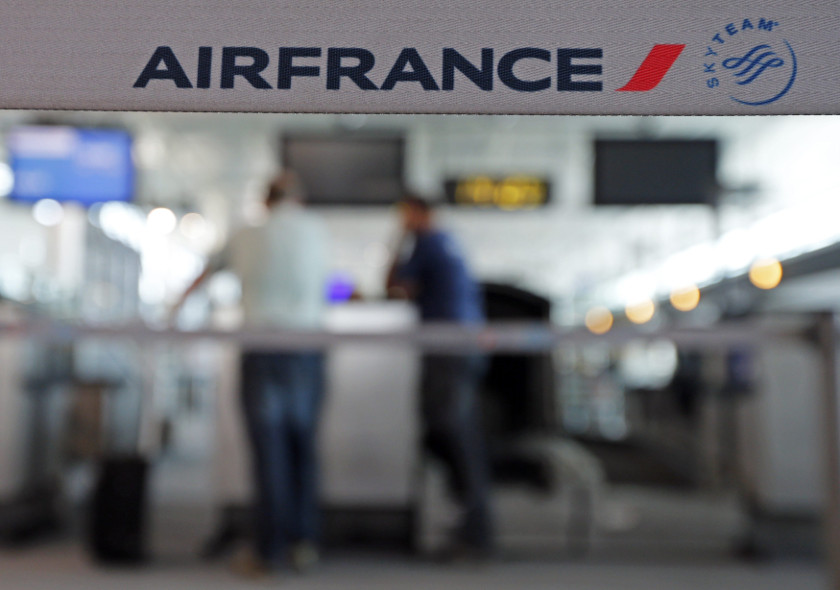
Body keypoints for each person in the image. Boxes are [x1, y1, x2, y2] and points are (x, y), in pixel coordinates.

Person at [173, 171, 329, 576]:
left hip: (261, 348)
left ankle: (268, 550)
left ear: (265, 201)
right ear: (298, 200)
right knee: (303, 449)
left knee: (269, 454)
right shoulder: (317, 230)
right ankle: (304, 544)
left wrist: (174, 310)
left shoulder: (245, 234)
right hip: (307, 351)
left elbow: (203, 276)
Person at [386, 194, 493, 558]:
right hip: (461, 350)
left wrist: (398, 240)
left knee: (452, 435)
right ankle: (470, 525)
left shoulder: (428, 243)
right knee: (451, 435)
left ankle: (475, 533)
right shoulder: (448, 243)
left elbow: (393, 285)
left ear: (415, 213)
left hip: (448, 351)